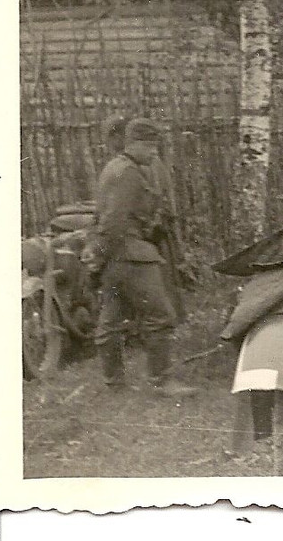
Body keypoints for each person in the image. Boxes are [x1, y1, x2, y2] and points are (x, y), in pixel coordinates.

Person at [89, 118, 196, 397]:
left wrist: (100, 259)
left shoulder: (116, 167)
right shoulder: (129, 173)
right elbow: (113, 220)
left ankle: (114, 384)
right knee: (161, 315)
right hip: (131, 255)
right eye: (149, 147)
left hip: (114, 255)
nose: (153, 153)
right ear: (133, 144)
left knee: (110, 320)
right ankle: (161, 382)